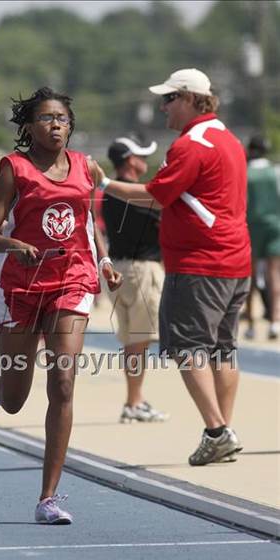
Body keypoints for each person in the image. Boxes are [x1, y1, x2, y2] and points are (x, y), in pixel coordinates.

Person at [0, 87, 122, 524]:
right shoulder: (14, 169)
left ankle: (48, 498)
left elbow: (89, 222)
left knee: (62, 381)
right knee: (14, 402)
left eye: (61, 118)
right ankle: (1, 379)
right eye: (45, 118)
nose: (55, 124)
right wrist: (12, 244)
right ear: (29, 127)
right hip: (21, 286)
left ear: (71, 124)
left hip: (72, 279)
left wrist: (105, 259)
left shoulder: (85, 167)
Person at [96, 69, 251, 466]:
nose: (162, 106)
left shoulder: (192, 144)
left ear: (188, 99)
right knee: (223, 349)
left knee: (186, 347)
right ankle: (224, 432)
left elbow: (155, 196)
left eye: (168, 99)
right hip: (235, 260)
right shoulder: (229, 139)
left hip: (200, 263)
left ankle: (217, 432)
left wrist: (103, 183)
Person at [102, 135, 169, 423]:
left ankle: (134, 399)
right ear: (130, 160)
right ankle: (134, 401)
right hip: (142, 270)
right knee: (139, 341)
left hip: (118, 269)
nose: (145, 162)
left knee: (132, 340)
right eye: (141, 156)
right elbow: (168, 216)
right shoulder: (138, 193)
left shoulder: (109, 194)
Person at [244, 134, 280, 340]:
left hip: (252, 227)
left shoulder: (246, 173)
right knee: (274, 275)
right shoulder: (275, 171)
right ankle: (275, 321)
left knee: (250, 276)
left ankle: (250, 322)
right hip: (275, 225)